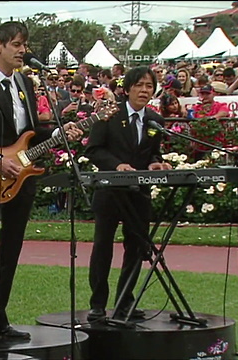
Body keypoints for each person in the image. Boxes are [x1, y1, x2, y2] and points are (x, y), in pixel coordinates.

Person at [0, 21, 83, 343]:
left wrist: (56, 134)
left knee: (11, 250)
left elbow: (29, 133)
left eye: (24, 45)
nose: (24, 51)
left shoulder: (26, 82)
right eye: (17, 45)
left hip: (21, 177)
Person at [84, 66, 172, 322]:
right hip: (110, 192)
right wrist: (116, 165)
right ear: (128, 88)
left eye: (149, 86)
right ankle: (98, 303)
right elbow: (93, 150)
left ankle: (125, 301)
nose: (144, 91)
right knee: (103, 246)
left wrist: (157, 162)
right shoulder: (109, 115)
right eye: (140, 85)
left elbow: (153, 152)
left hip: (139, 194)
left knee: (135, 248)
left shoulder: (156, 120)